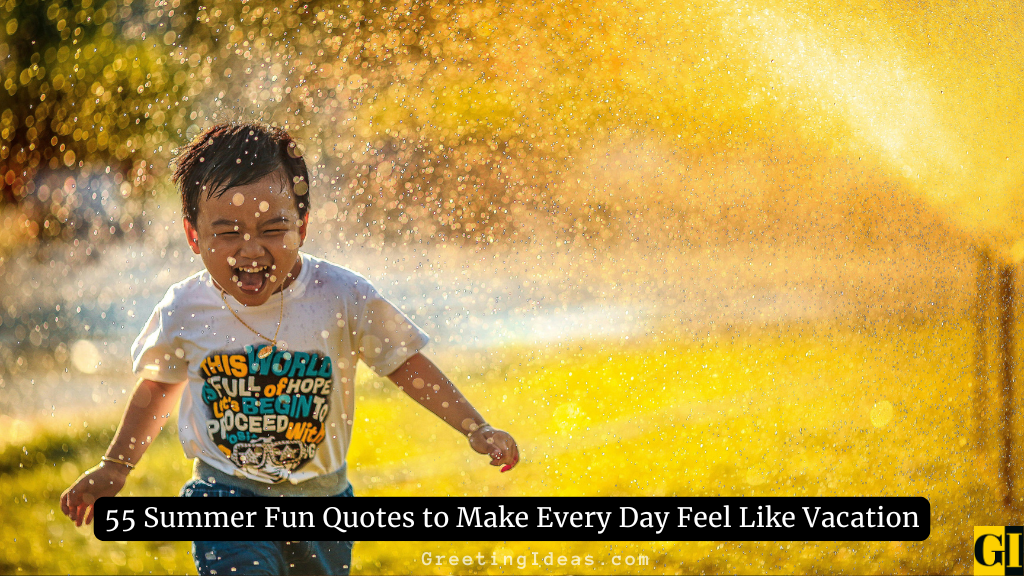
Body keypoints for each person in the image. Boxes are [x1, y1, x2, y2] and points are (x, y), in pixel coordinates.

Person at [59, 121, 520, 575]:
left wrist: (474, 426)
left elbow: (404, 363)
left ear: (302, 226)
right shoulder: (186, 308)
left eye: (272, 229)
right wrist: (115, 466)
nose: (251, 250)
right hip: (225, 496)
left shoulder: (341, 295)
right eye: (228, 232)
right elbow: (159, 386)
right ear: (194, 236)